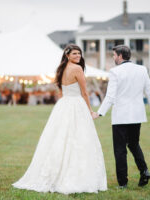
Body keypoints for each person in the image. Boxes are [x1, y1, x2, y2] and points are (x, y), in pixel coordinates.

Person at [12, 44, 107, 194]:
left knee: (59, 137)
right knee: (79, 138)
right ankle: (74, 175)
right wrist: (90, 111)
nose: (78, 56)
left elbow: (61, 92)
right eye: (75, 54)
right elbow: (84, 92)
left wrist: (64, 104)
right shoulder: (77, 69)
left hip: (63, 105)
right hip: (76, 105)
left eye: (79, 54)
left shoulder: (61, 69)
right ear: (67, 55)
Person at [93, 45, 150, 189]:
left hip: (121, 116)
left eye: (114, 55)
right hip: (137, 115)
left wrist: (99, 112)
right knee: (134, 144)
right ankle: (144, 171)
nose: (113, 58)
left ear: (120, 56)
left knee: (120, 149)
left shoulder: (115, 72)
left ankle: (123, 183)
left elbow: (110, 96)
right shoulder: (142, 69)